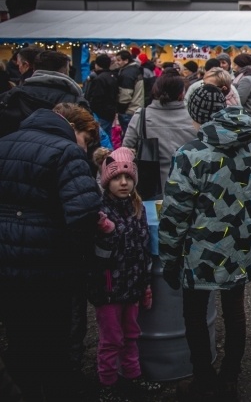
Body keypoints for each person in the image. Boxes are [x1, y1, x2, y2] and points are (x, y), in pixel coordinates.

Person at [159, 86, 251, 401]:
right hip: (239, 246)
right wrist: (248, 234)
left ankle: (203, 378)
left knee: (194, 312)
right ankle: (230, 377)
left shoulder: (191, 154)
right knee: (234, 310)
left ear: (195, 114)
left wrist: (168, 256)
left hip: (199, 251)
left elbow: (175, 214)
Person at [0, 103, 102, 402]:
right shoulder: (66, 151)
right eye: (86, 139)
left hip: (6, 260)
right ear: (73, 128)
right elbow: (84, 213)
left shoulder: (5, 142)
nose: (85, 147)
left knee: (19, 336)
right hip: (48, 263)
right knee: (54, 339)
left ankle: (23, 389)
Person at [89, 147, 162, 401]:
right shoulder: (99, 212)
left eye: (128, 177)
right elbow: (97, 256)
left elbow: (143, 250)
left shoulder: (137, 208)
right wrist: (107, 234)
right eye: (117, 177)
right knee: (111, 339)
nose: (123, 182)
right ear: (106, 180)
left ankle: (132, 377)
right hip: (107, 289)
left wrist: (146, 284)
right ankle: (107, 382)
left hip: (132, 286)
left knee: (131, 335)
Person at [123, 68, 196, 198]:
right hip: (188, 188)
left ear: (155, 91)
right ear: (181, 94)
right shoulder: (194, 119)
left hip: (149, 189)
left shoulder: (142, 116)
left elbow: (126, 150)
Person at [0, 49, 89, 138]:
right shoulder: (76, 102)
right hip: (62, 150)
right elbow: (88, 139)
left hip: (15, 149)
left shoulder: (10, 97)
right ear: (64, 72)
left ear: (34, 69)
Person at [85, 54, 119, 137]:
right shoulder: (113, 76)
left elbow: (96, 98)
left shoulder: (99, 79)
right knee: (108, 134)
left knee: (101, 136)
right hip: (111, 111)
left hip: (101, 113)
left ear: (97, 64)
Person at [115, 50, 144, 136]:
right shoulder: (136, 69)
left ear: (126, 60)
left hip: (129, 110)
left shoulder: (127, 74)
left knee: (128, 137)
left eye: (119, 60)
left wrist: (120, 109)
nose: (117, 63)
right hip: (137, 107)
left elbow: (126, 95)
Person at [232, 53, 251, 123]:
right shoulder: (250, 76)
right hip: (247, 116)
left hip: (245, 118)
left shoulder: (246, 79)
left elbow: (239, 100)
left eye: (235, 65)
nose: (234, 67)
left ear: (240, 65)